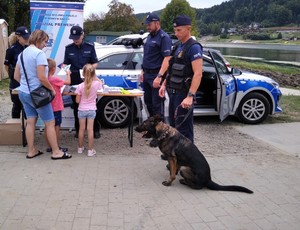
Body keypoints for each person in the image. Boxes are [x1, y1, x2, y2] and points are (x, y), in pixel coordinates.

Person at [14, 29, 72, 160]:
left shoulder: (22, 54)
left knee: (30, 122)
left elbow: (16, 76)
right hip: (37, 95)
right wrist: (51, 89)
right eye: (45, 41)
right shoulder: (39, 54)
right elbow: (42, 77)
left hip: (23, 93)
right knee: (50, 123)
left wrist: (26, 85)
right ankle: (56, 152)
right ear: (39, 39)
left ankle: (31, 150)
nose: (46, 44)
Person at [159, 15, 203, 143]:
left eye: (179, 30)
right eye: (175, 30)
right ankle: (175, 155)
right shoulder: (178, 46)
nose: (176, 33)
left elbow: (198, 74)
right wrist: (163, 85)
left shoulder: (194, 47)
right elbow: (171, 69)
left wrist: (190, 96)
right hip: (172, 93)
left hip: (183, 95)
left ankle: (187, 159)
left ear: (188, 29)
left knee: (184, 129)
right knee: (173, 127)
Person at [63, 25, 101, 139]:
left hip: (88, 80)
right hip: (75, 81)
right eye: (73, 38)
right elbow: (65, 64)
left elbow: (95, 62)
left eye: (77, 38)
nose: (75, 40)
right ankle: (78, 129)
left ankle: (95, 130)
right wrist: (66, 70)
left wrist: (89, 68)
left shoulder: (89, 47)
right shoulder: (69, 48)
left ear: (82, 35)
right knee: (76, 106)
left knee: (92, 106)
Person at [140, 13, 172, 117]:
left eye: (149, 24)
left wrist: (159, 76)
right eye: (147, 25)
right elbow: (147, 56)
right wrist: (142, 71)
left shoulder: (164, 38)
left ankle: (159, 131)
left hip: (156, 75)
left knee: (157, 105)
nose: (147, 27)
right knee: (148, 102)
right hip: (147, 75)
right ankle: (152, 129)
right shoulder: (149, 37)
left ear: (157, 23)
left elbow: (167, 58)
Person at [75, 64, 103, 157]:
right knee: (90, 130)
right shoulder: (96, 84)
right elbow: (101, 85)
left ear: (83, 74)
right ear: (93, 74)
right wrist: (95, 76)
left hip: (82, 109)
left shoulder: (79, 86)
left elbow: (77, 101)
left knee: (81, 129)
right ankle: (90, 150)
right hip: (92, 109)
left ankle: (80, 148)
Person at [44, 58, 71, 153]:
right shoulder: (54, 79)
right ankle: (56, 146)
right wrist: (68, 73)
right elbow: (68, 82)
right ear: (53, 69)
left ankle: (49, 146)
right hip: (56, 107)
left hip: (47, 106)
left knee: (47, 126)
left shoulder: (44, 79)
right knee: (56, 127)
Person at [4, 27, 30, 118]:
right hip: (15, 81)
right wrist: (13, 76)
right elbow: (6, 65)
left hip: (27, 80)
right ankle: (16, 129)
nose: (27, 39)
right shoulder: (12, 49)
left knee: (27, 107)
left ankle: (27, 128)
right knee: (17, 106)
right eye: (24, 37)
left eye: (28, 37)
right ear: (18, 37)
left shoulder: (29, 48)